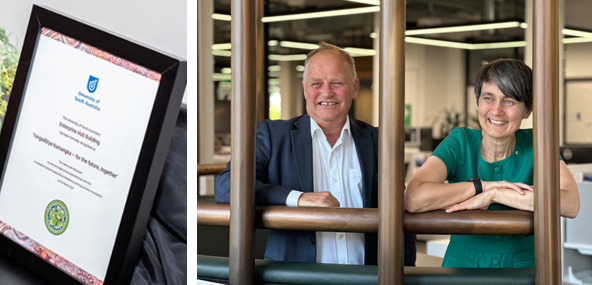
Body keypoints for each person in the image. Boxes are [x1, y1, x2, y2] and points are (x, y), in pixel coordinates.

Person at [214, 41, 416, 266]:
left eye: (337, 82)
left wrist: (405, 272)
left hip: (368, 278)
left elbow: (402, 215)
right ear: (304, 88)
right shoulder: (273, 136)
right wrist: (297, 199)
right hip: (295, 279)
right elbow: (226, 186)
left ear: (355, 87)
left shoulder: (380, 141)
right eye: (316, 83)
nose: (326, 92)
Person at [404, 58, 580, 268]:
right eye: (489, 98)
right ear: (477, 100)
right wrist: (481, 186)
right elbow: (414, 198)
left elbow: (570, 204)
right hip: (462, 267)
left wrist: (495, 194)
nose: (496, 111)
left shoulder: (539, 144)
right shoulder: (460, 142)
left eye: (509, 101)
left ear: (527, 109)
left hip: (527, 269)